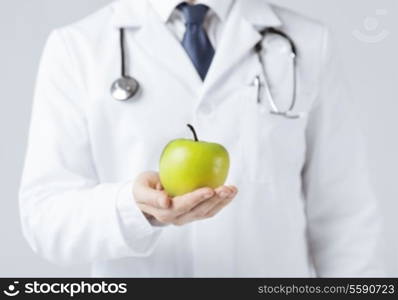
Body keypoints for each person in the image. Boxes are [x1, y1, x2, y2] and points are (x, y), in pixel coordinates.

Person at [19, 0, 383, 277]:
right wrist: (134, 209)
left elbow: (344, 215)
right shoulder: (77, 47)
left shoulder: (307, 42)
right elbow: (45, 217)